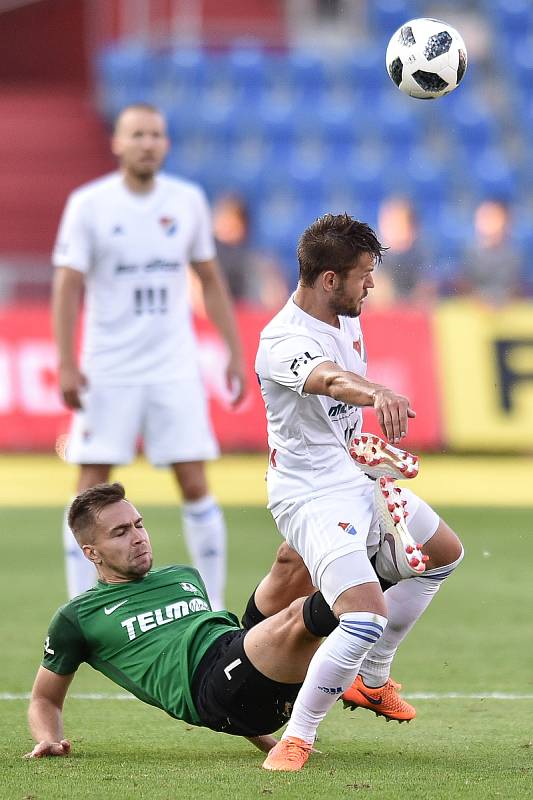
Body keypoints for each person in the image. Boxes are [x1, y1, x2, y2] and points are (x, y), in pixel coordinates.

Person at [253, 213, 463, 771]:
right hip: (311, 494)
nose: (370, 284)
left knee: (443, 554)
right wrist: (376, 394)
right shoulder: (282, 340)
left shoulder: (345, 315)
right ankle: (298, 736)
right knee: (363, 616)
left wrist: (365, 443)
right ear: (328, 279)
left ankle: (371, 678)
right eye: (363, 274)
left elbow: (336, 406)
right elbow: (326, 378)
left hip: (352, 473)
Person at [51, 103, 245, 610]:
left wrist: (232, 349)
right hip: (108, 366)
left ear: (166, 144)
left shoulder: (186, 201)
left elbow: (209, 278)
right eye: (136, 134)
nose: (146, 142)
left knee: (194, 480)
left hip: (172, 365)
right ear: (117, 143)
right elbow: (67, 286)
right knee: (89, 483)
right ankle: (84, 609)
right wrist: (67, 361)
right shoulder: (89, 204)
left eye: (156, 134)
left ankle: (212, 608)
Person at [25, 482, 363, 762]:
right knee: (299, 614)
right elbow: (45, 699)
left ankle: (360, 506)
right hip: (211, 689)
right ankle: (387, 572)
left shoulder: (183, 576)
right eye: (120, 533)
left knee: (294, 554)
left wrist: (269, 740)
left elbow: (235, 669)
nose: (138, 537)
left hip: (240, 656)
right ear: (91, 553)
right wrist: (49, 739)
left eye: (139, 525)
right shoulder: (79, 617)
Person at [455, 198, 523, 305]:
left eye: (492, 217)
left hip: (505, 308)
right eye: (483, 217)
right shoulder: (469, 252)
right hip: (474, 308)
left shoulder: (513, 254)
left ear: (505, 221)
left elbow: (515, 286)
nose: (487, 222)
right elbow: (464, 285)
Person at [375, 196, 438, 306]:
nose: (394, 230)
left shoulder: (423, 252)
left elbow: (427, 289)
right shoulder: (370, 252)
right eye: (390, 224)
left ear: (413, 228)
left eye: (399, 224)